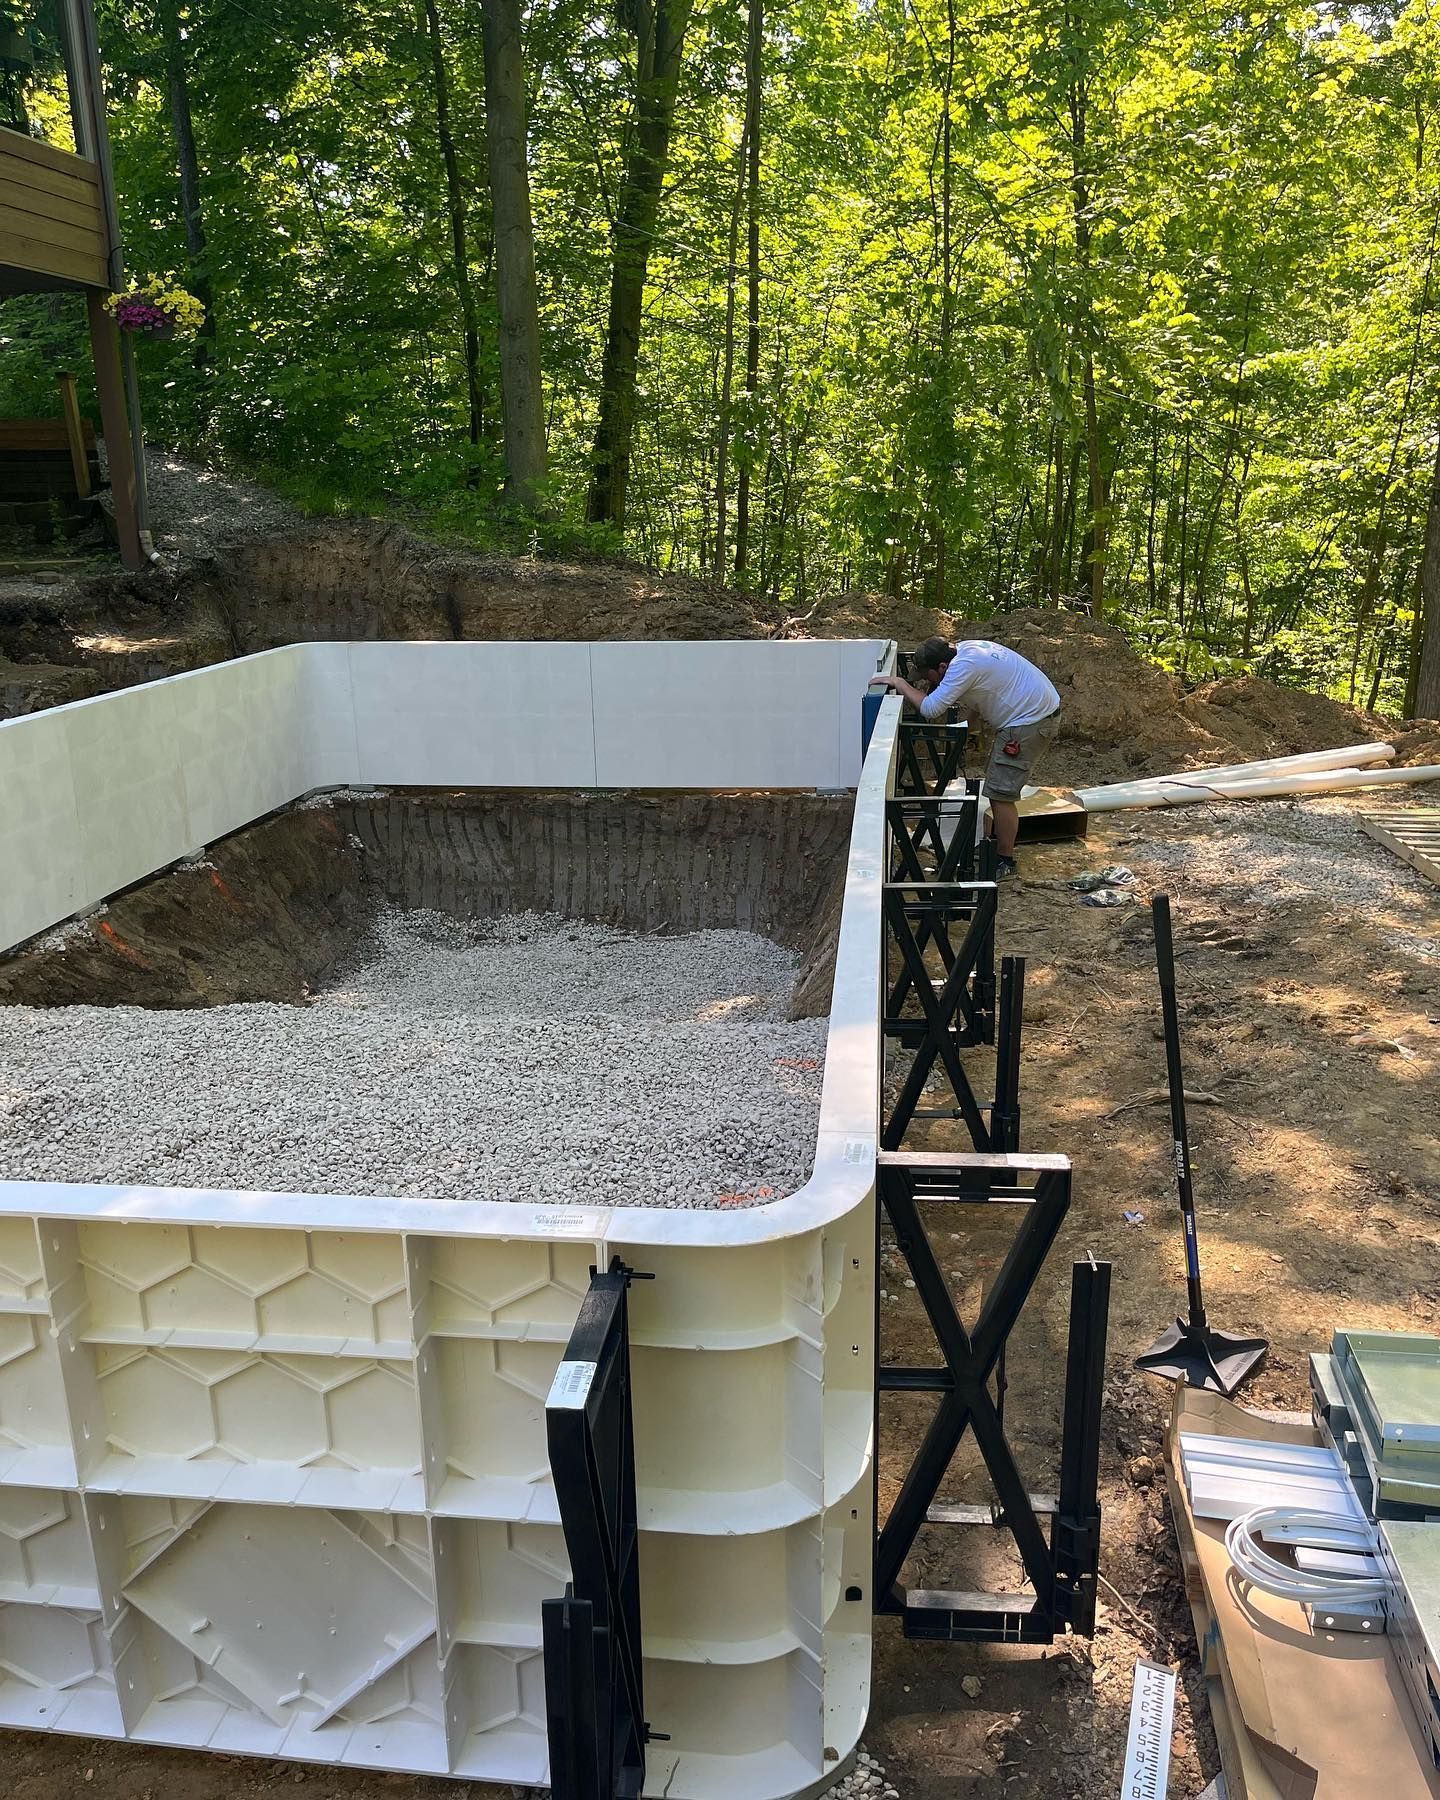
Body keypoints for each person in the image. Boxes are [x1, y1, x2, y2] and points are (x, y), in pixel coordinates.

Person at [870, 637, 1061, 877]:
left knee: (1000, 794)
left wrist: (900, 684)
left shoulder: (964, 666)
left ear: (942, 667)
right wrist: (966, 726)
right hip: (1030, 714)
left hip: (1029, 722)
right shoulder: (965, 650)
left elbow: (930, 709)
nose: (928, 682)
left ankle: (1005, 860)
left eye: (928, 676)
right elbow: (982, 690)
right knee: (997, 789)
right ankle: (996, 846)